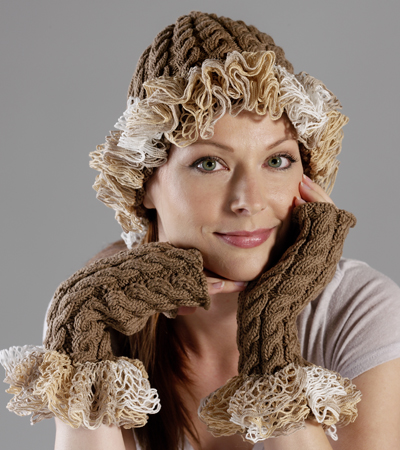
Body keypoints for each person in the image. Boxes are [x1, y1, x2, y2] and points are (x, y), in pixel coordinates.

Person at [1, 11, 400, 450]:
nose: (249, 200)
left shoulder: (359, 311)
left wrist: (271, 327)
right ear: (144, 182)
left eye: (277, 160)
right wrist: (82, 328)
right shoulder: (98, 306)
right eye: (209, 163)